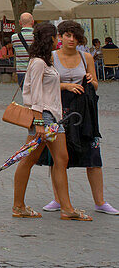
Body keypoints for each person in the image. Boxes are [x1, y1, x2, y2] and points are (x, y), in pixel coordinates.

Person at [12, 22, 92, 220]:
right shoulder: (39, 62)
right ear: (50, 39)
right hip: (44, 117)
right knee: (29, 159)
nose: (59, 39)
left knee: (60, 159)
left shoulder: (45, 61)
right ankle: (19, 205)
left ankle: (66, 208)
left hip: (52, 117)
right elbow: (34, 94)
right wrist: (39, 122)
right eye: (56, 36)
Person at [37, 21, 117, 216]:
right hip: (60, 109)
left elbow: (96, 84)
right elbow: (44, 86)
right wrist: (65, 86)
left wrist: (92, 81)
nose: (71, 40)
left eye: (75, 36)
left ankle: (100, 201)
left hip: (85, 111)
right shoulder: (51, 58)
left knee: (93, 155)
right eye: (67, 35)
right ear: (60, 37)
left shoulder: (86, 57)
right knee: (58, 157)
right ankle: (58, 198)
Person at [11, 12, 35, 88]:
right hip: (35, 70)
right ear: (33, 22)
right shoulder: (37, 36)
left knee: (25, 94)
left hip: (21, 70)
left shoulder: (14, 37)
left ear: (20, 23)